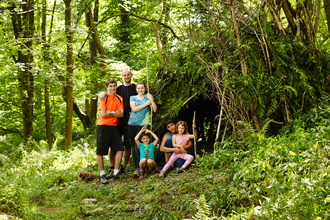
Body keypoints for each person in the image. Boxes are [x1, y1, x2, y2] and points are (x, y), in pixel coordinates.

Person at [103, 68, 137, 178]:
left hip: (130, 121)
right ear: (122, 76)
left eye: (128, 75)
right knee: (112, 146)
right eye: (124, 75)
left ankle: (123, 166)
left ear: (131, 75)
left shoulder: (135, 88)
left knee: (128, 145)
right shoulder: (118, 88)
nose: (127, 77)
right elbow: (108, 95)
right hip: (116, 121)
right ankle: (111, 168)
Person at [96, 78, 126, 184]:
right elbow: (102, 114)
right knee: (100, 151)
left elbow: (121, 114)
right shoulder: (104, 97)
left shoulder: (119, 98)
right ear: (107, 87)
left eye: (114, 86)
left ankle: (116, 172)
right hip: (103, 126)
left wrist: (110, 112)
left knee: (119, 149)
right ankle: (102, 174)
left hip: (114, 126)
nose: (112, 88)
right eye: (110, 86)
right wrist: (114, 112)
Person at [128, 82, 157, 177]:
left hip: (143, 124)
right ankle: (137, 166)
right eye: (138, 88)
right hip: (132, 123)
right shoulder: (133, 98)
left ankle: (146, 165)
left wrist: (151, 100)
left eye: (142, 88)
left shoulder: (148, 96)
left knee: (143, 145)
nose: (140, 90)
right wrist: (146, 103)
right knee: (134, 145)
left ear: (145, 89)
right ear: (136, 89)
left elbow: (155, 109)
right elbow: (134, 109)